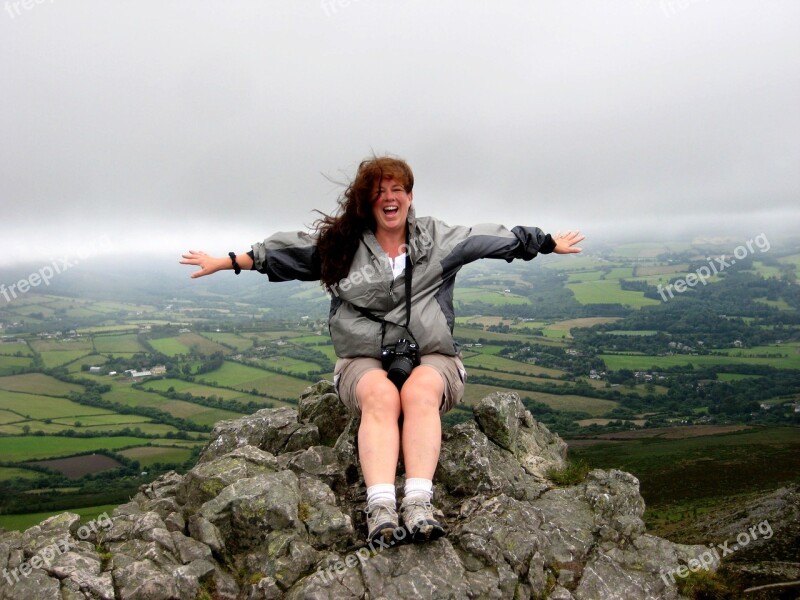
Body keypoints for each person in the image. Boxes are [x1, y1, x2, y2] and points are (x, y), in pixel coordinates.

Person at [180, 156, 583, 546]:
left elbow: (492, 239)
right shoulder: (341, 244)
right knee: (381, 396)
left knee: (419, 391)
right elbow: (284, 255)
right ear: (365, 200)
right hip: (362, 358)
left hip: (432, 354)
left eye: (397, 189)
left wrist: (547, 242)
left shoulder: (438, 240)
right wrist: (227, 261)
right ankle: (381, 510)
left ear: (409, 196)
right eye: (378, 191)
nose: (389, 197)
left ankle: (420, 504)